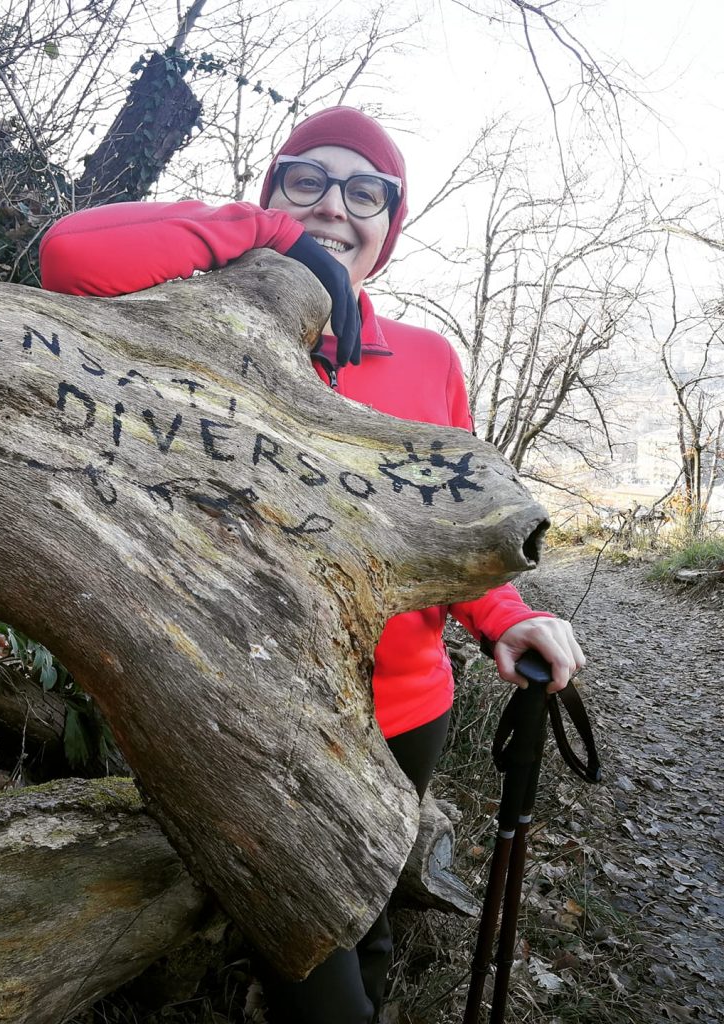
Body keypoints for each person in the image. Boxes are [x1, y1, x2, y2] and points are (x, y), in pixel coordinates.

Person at [38, 106, 584, 1024]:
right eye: (306, 182)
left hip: (406, 713)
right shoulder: (201, 329)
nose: (334, 205)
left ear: (389, 227)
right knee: (310, 962)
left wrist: (508, 616)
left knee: (365, 920)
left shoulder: (427, 361)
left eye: (364, 193)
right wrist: (265, 233)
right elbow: (67, 253)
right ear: (273, 197)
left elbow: (450, 525)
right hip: (248, 709)